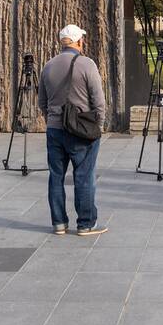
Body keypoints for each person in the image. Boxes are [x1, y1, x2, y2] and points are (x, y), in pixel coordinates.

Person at [39, 24, 107, 236]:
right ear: (78, 41)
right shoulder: (87, 64)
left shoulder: (48, 66)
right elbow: (98, 101)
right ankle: (86, 223)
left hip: (54, 129)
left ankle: (59, 223)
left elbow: (42, 101)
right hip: (81, 130)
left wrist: (52, 120)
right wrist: (99, 126)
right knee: (84, 176)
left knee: (56, 175)